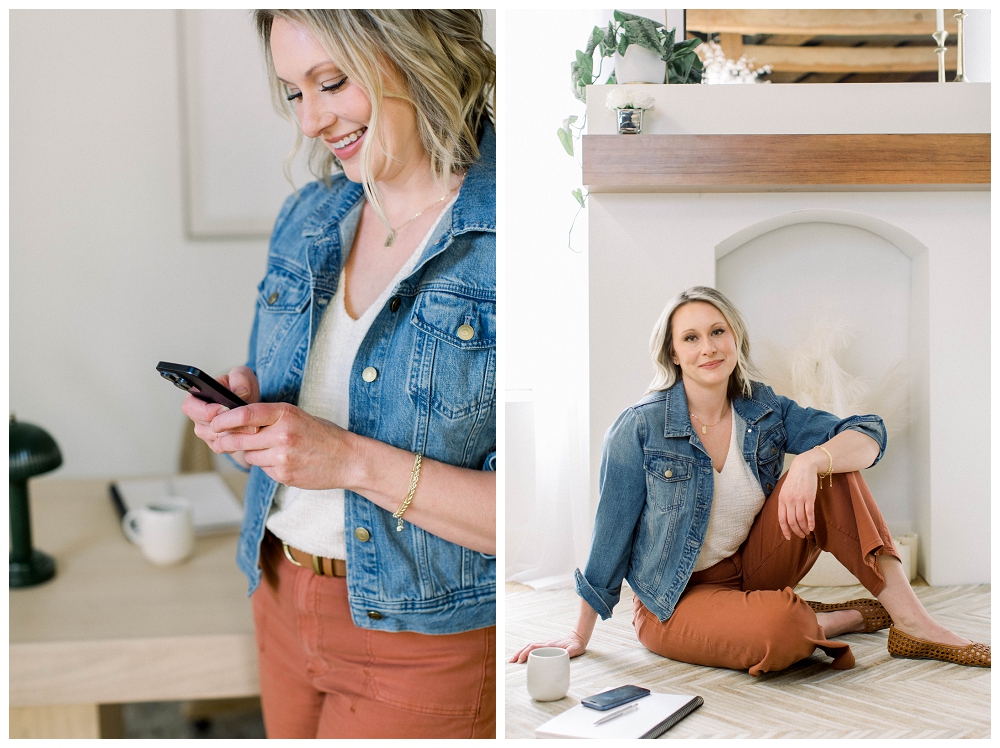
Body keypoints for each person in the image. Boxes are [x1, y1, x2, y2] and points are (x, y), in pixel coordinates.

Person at [181, 10, 496, 738]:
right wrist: (249, 420)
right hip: (280, 596)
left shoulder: (507, 236)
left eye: (331, 82)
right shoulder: (309, 216)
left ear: (416, 53)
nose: (311, 120)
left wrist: (346, 458)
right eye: (294, 93)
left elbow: (528, 516)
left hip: (424, 644)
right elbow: (303, 419)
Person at [512, 286, 989, 675]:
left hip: (753, 566)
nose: (708, 348)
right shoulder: (639, 427)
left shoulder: (763, 409)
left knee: (832, 472)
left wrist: (807, 463)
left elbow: (869, 435)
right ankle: (833, 617)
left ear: (735, 338)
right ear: (673, 353)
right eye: (691, 338)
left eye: (717, 332)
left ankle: (913, 624)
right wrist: (578, 635)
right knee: (781, 631)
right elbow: (609, 533)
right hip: (675, 601)